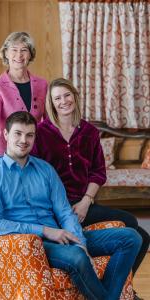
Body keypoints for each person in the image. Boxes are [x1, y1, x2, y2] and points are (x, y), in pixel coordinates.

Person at [0, 111, 141, 300]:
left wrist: (81, 244)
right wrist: (46, 231)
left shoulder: (45, 169)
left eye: (29, 135)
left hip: (62, 236)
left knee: (131, 237)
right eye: (18, 133)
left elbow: (64, 211)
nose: (24, 140)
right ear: (6, 135)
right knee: (76, 258)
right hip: (30, 245)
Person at [31, 78, 150, 300]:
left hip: (83, 203)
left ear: (75, 97)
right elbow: (35, 176)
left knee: (140, 233)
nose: (63, 101)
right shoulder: (41, 132)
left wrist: (86, 201)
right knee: (134, 233)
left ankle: (119, 289)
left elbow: (98, 172)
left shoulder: (89, 131)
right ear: (51, 103)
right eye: (57, 98)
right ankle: (117, 293)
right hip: (55, 209)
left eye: (67, 95)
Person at [0, 31, 48, 170]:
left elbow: (49, 124)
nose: (19, 55)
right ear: (6, 54)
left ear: (30, 54)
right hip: (3, 155)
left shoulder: (43, 84)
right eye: (14, 50)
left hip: (35, 155)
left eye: (24, 50)